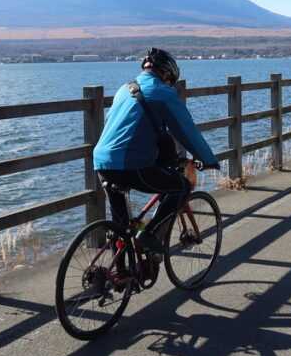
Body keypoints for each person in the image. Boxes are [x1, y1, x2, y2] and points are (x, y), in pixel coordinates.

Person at [93, 48, 220, 255]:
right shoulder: (163, 93)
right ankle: (150, 233)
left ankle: (120, 274)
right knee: (181, 187)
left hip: (102, 161)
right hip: (132, 164)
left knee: (123, 227)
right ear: (167, 74)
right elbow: (187, 131)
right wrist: (208, 159)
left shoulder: (124, 90)